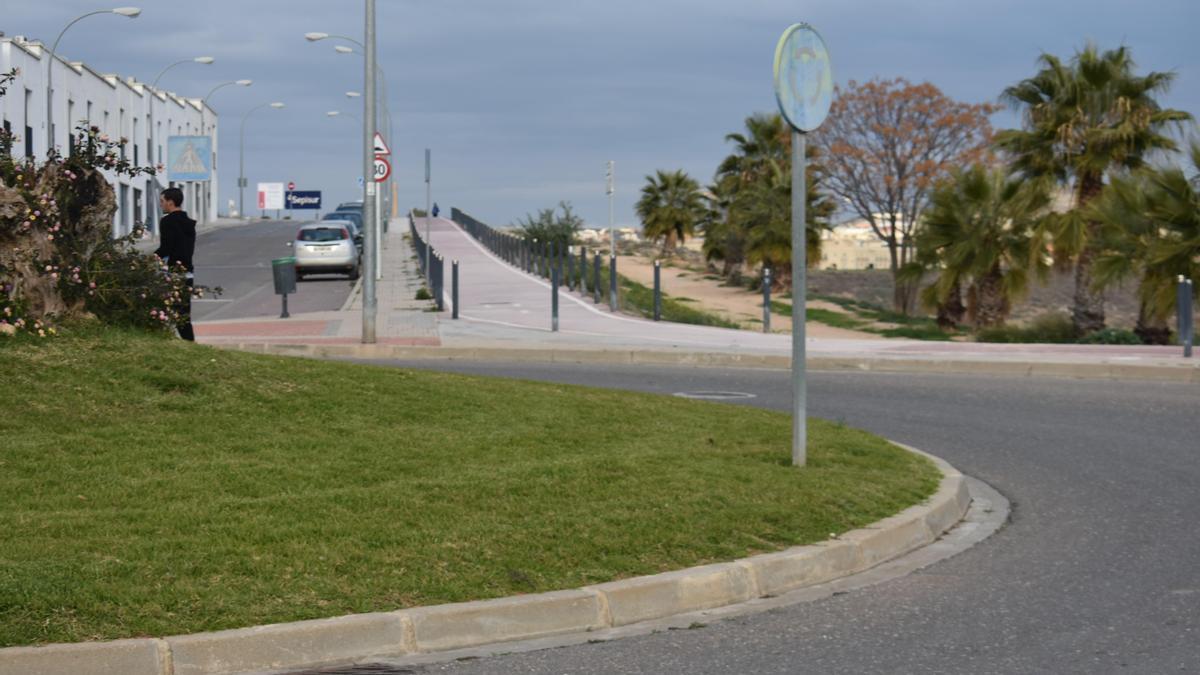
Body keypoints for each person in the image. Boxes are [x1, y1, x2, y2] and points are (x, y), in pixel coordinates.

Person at [154, 187, 197, 341]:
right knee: (184, 315)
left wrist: (150, 259)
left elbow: (166, 248)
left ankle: (169, 341)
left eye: (162, 201)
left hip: (173, 273)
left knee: (161, 310)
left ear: (170, 203)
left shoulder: (167, 222)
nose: (161, 205)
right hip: (188, 272)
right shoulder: (189, 223)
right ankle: (190, 344)